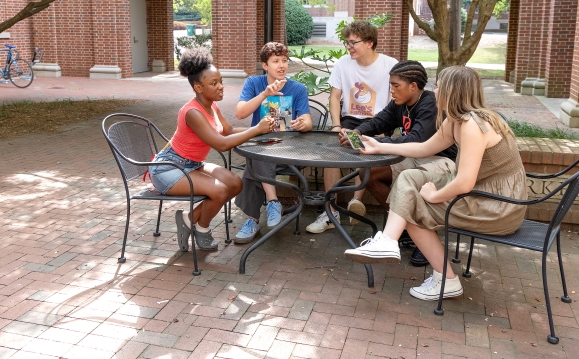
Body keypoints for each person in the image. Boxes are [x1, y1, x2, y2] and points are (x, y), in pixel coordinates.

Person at [344, 66, 527, 301]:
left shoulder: (473, 126)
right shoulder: (456, 120)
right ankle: (388, 241)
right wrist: (379, 147)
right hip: (480, 194)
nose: (434, 90)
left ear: (452, 91)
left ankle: (446, 279)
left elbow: (464, 183)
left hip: (497, 205)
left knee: (414, 205)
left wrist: (433, 197)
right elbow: (423, 148)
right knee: (408, 179)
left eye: (438, 86)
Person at [149, 48, 275, 252]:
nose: (221, 87)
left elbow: (230, 131)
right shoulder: (192, 112)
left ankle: (188, 219)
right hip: (168, 168)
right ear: (198, 87)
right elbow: (221, 144)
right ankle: (202, 229)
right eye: (214, 83)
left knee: (235, 183)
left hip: (192, 165)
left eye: (221, 81)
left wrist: (262, 131)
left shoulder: (211, 106)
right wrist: (255, 129)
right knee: (219, 190)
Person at [339, 60, 458, 266]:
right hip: (412, 155)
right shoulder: (399, 103)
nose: (391, 90)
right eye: (390, 85)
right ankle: (406, 228)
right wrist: (358, 132)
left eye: (396, 85)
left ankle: (424, 238)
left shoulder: (429, 104)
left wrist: (378, 142)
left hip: (439, 160)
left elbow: (418, 140)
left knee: (408, 179)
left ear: (413, 86)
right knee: (370, 173)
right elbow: (380, 121)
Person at [306, 20, 397, 234]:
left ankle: (355, 203)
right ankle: (331, 212)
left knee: (364, 149)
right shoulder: (343, 64)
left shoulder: (389, 64)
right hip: (350, 121)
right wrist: (336, 125)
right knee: (331, 156)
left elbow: (396, 100)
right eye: (347, 43)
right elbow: (334, 96)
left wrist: (385, 127)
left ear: (369, 43)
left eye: (353, 42)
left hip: (379, 121)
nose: (349, 47)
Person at [233, 42, 313, 243]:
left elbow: (308, 122)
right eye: (275, 61)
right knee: (258, 152)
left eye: (284, 61)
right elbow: (241, 113)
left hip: (289, 151)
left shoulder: (298, 89)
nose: (281, 65)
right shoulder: (254, 83)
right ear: (265, 65)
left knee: (255, 158)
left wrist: (302, 124)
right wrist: (265, 94)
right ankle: (273, 201)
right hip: (263, 147)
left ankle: (252, 219)